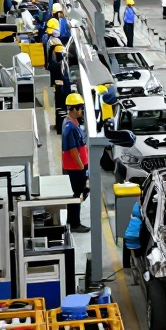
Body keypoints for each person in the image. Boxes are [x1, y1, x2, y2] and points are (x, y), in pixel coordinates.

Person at [60, 93, 91, 233]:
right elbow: (73, 151)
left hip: (77, 168)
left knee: (77, 195)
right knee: (75, 196)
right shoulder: (70, 127)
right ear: (72, 109)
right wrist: (81, 169)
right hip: (75, 169)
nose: (81, 110)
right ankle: (75, 223)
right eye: (79, 107)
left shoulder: (72, 123)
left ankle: (72, 221)